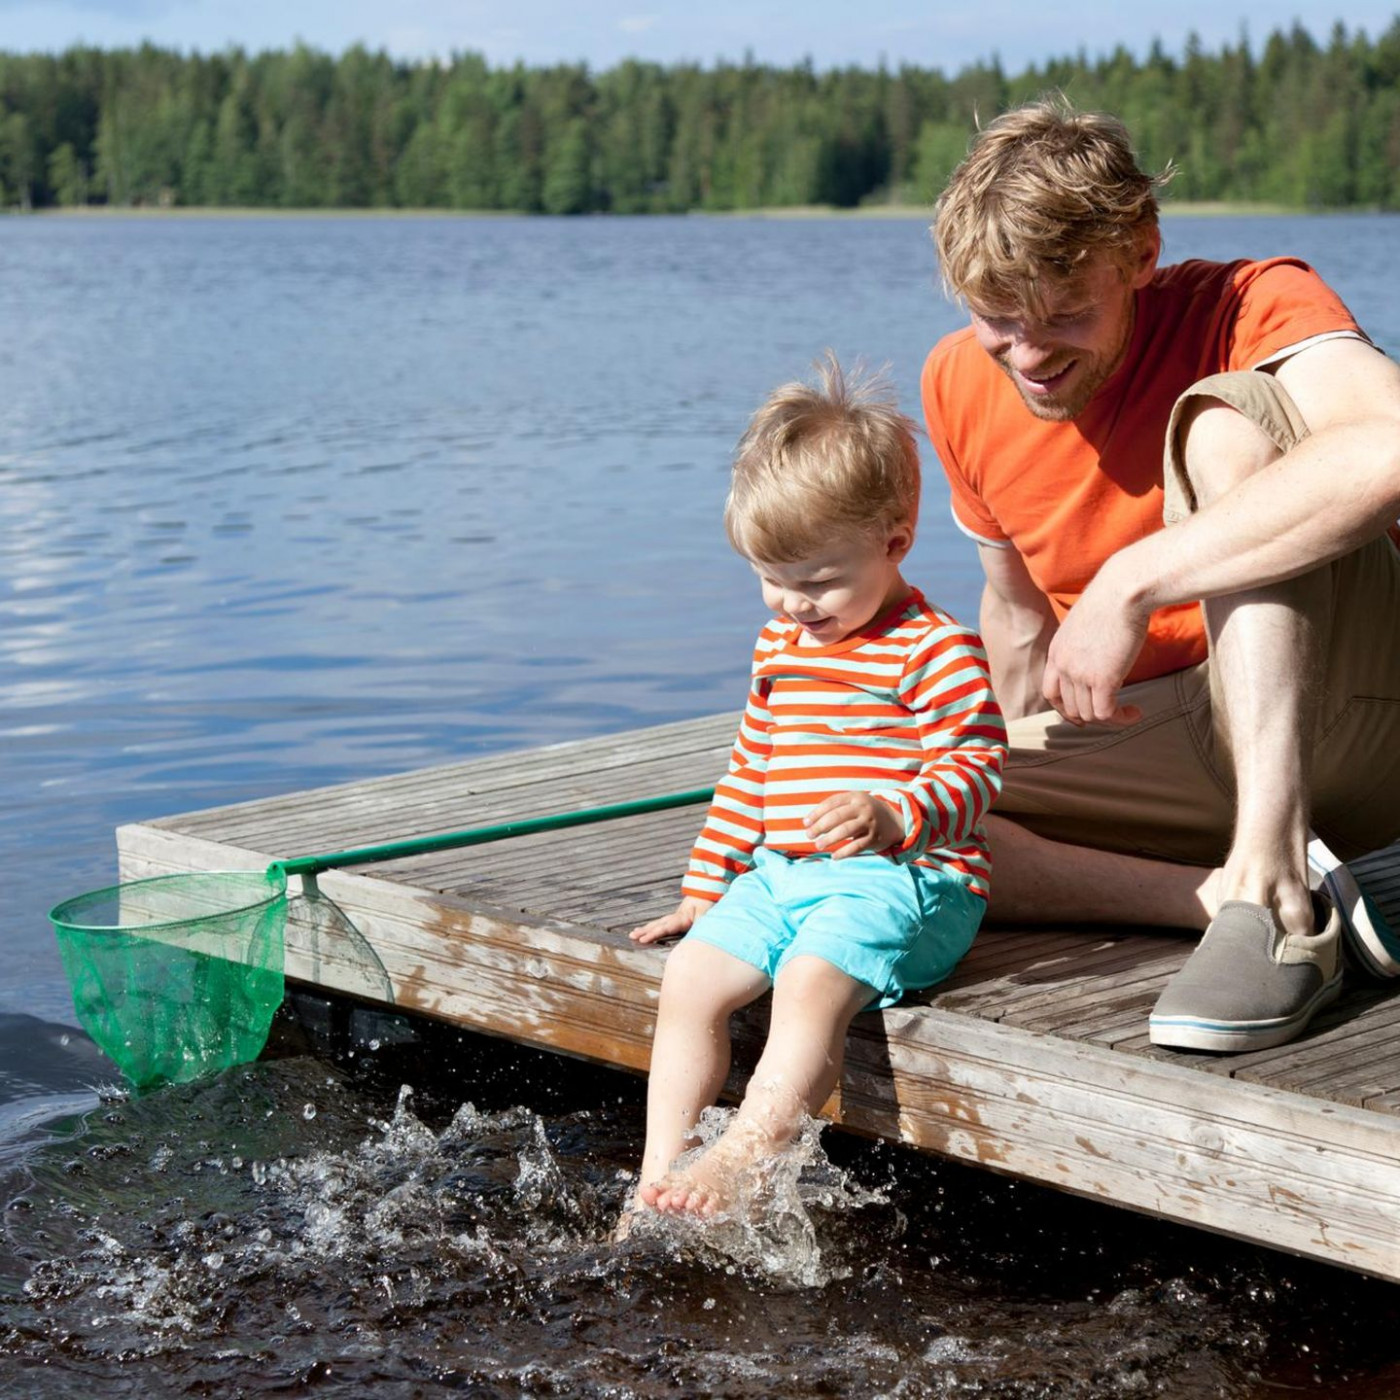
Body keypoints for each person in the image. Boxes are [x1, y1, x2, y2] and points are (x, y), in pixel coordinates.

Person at [921, 97, 1400, 1054]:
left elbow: (1388, 450)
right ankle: (1221, 898)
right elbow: (1013, 614)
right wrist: (984, 759)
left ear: (1139, 253)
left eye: (1065, 316)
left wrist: (1132, 580)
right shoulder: (956, 383)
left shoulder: (1251, 299)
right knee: (905, 812)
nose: (1030, 357)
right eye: (998, 321)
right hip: (1171, 741)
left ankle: (1276, 899)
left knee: (1228, 417)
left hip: (1360, 705)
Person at [627, 357, 1006, 1217]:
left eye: (819, 582)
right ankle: (657, 1174)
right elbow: (750, 769)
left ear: (895, 540)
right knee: (690, 977)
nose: (793, 605)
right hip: (783, 874)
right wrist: (703, 888)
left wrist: (895, 813)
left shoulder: (932, 648)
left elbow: (979, 769)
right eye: (773, 580)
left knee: (807, 978)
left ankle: (748, 1154)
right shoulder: (782, 648)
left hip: (910, 882)